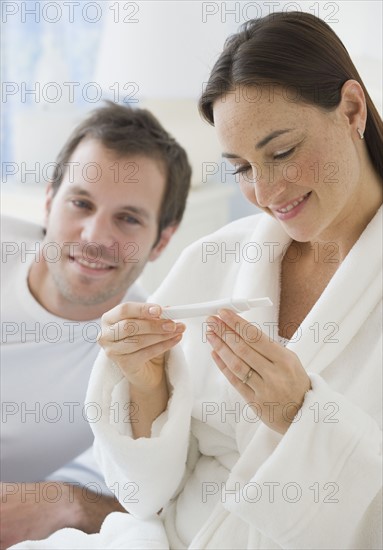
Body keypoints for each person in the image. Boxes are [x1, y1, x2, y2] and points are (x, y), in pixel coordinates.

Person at [10, 11, 382, 550]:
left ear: (352, 108)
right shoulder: (216, 259)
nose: (267, 190)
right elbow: (143, 491)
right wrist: (146, 384)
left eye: (282, 153)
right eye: (242, 168)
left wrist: (302, 418)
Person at [0, 101, 191, 549]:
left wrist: (67, 502)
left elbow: (158, 501)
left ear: (162, 239)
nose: (94, 238)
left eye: (127, 218)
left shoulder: (146, 356)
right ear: (49, 201)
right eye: (80, 203)